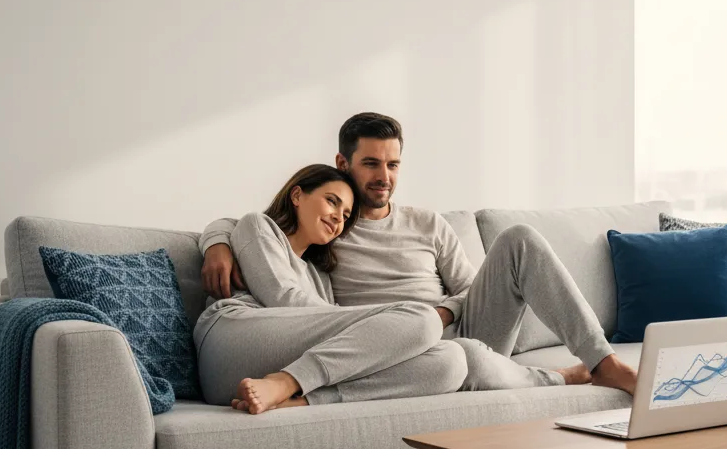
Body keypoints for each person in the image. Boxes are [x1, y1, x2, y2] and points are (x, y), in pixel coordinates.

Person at [200, 112, 639, 395]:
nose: (383, 177)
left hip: (461, 329)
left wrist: (443, 314)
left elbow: (470, 290)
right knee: (456, 358)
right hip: (390, 348)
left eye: (392, 165)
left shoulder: (427, 223)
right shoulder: (328, 234)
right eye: (370, 163)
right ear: (343, 163)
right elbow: (262, 231)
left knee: (520, 239)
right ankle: (553, 378)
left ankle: (603, 360)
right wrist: (217, 240)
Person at [194, 163, 468, 414]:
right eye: (331, 202)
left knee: (450, 362)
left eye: (346, 214)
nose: (338, 217)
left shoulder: (320, 276)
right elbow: (283, 298)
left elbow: (320, 329)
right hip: (230, 341)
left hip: (266, 369)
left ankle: (296, 395)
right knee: (423, 318)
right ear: (297, 195)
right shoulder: (258, 226)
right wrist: (383, 325)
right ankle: (287, 381)